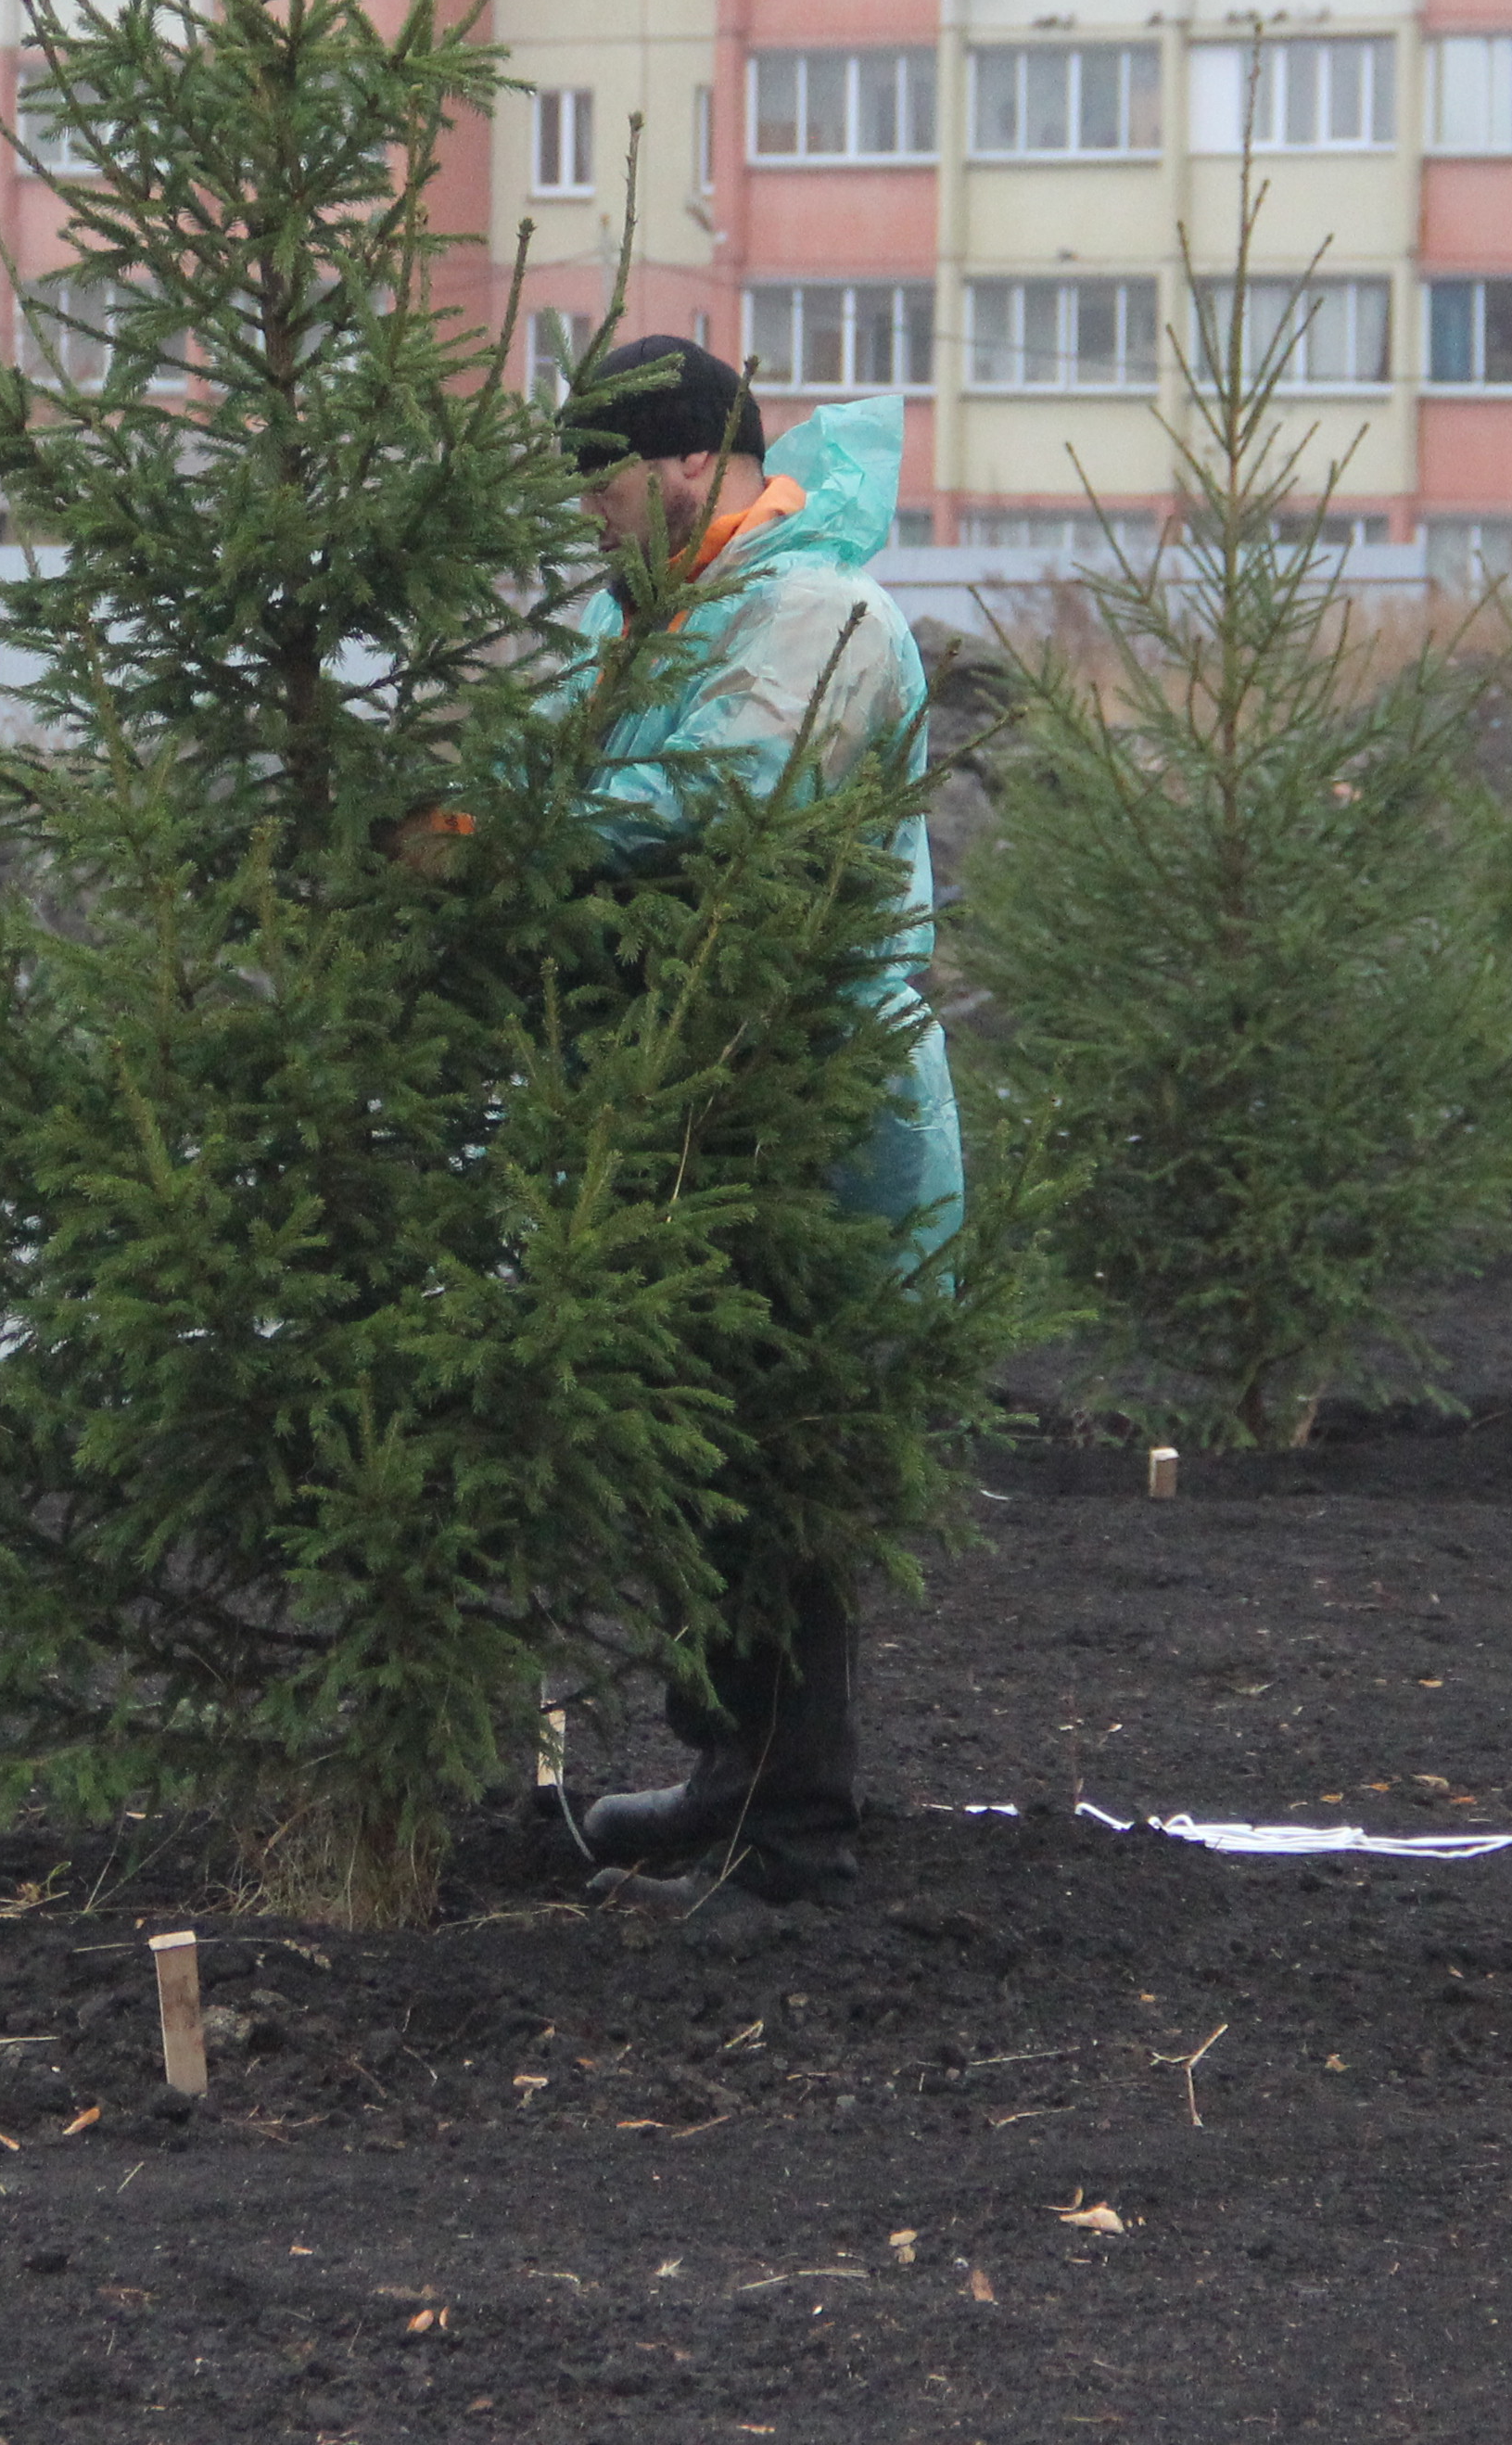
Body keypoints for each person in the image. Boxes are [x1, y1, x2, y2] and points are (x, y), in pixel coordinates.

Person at [541, 336, 964, 1909]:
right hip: (674, 1096)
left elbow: (723, 801)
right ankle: (728, 1772)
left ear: (681, 464)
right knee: (699, 1448)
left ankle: (794, 1828)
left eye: (600, 479)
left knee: (781, 1453)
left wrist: (515, 833)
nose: (586, 514)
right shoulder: (644, 619)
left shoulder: (824, 620)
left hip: (812, 1107)